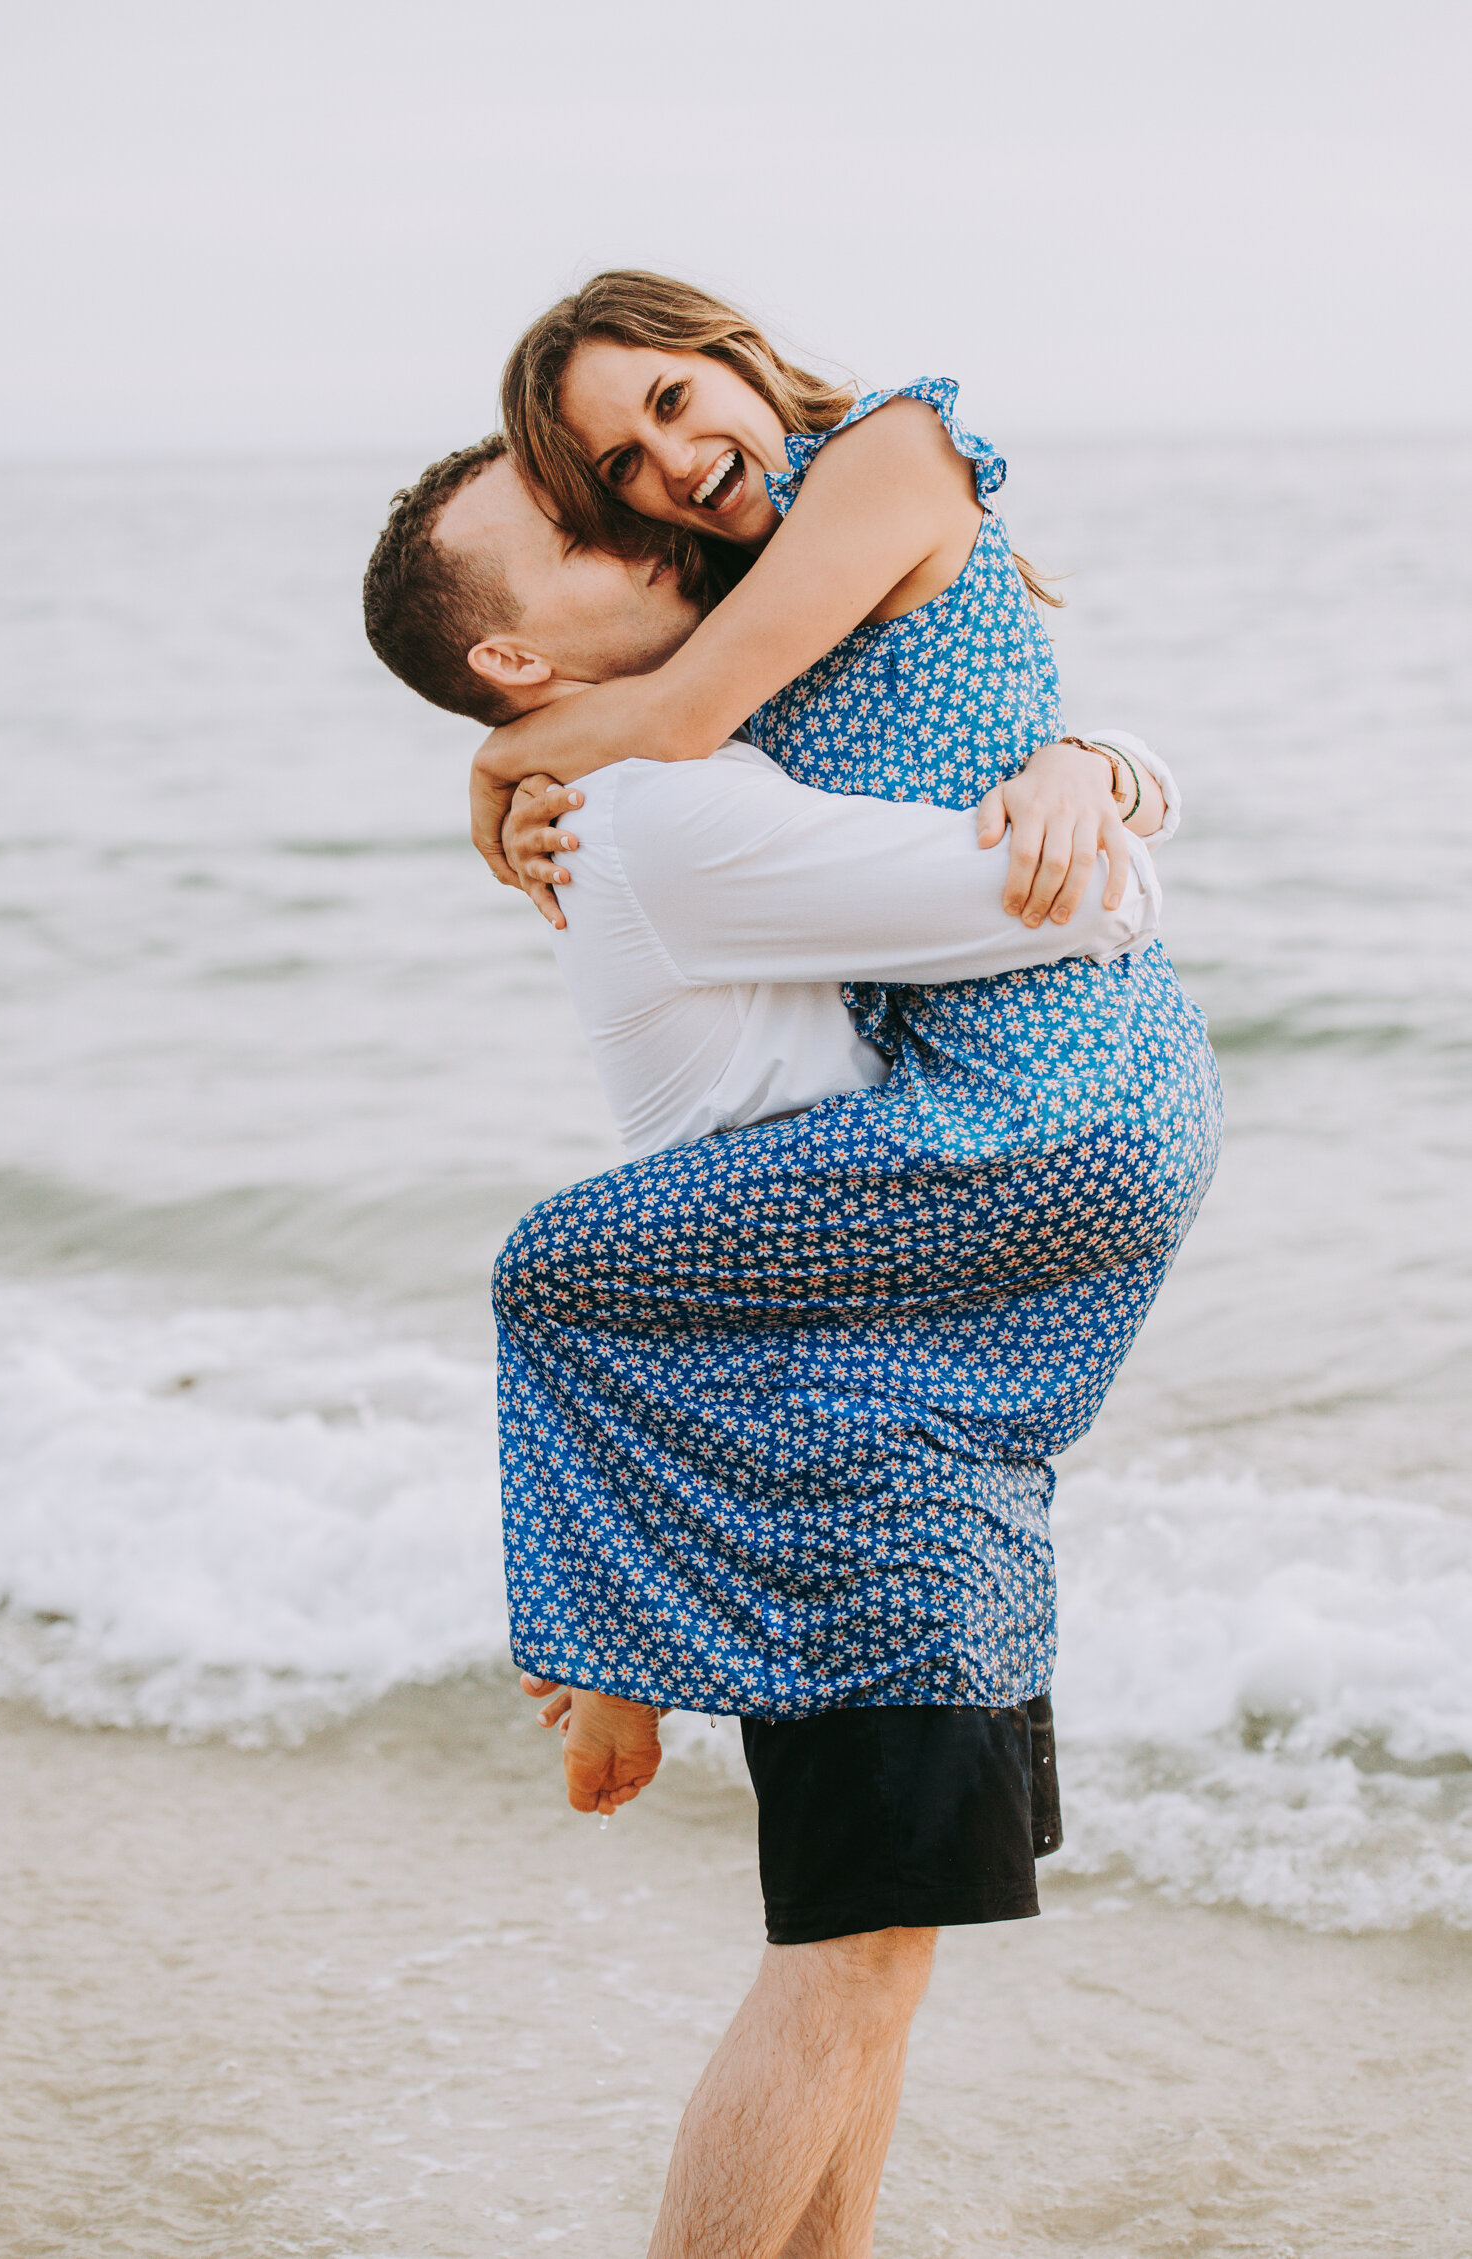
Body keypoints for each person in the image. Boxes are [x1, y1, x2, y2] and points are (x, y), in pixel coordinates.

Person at [362, 433, 1192, 2258]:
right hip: (846, 1434)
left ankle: (610, 1649)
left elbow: (1002, 776)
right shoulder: (670, 814)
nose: (643, 522)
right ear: (514, 657)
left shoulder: (678, 771)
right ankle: (598, 1642)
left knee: (875, 1960)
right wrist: (1096, 790)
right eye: (578, 533)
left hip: (875, 1400)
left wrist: (1091, 751)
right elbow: (1079, 894)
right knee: (848, 1966)